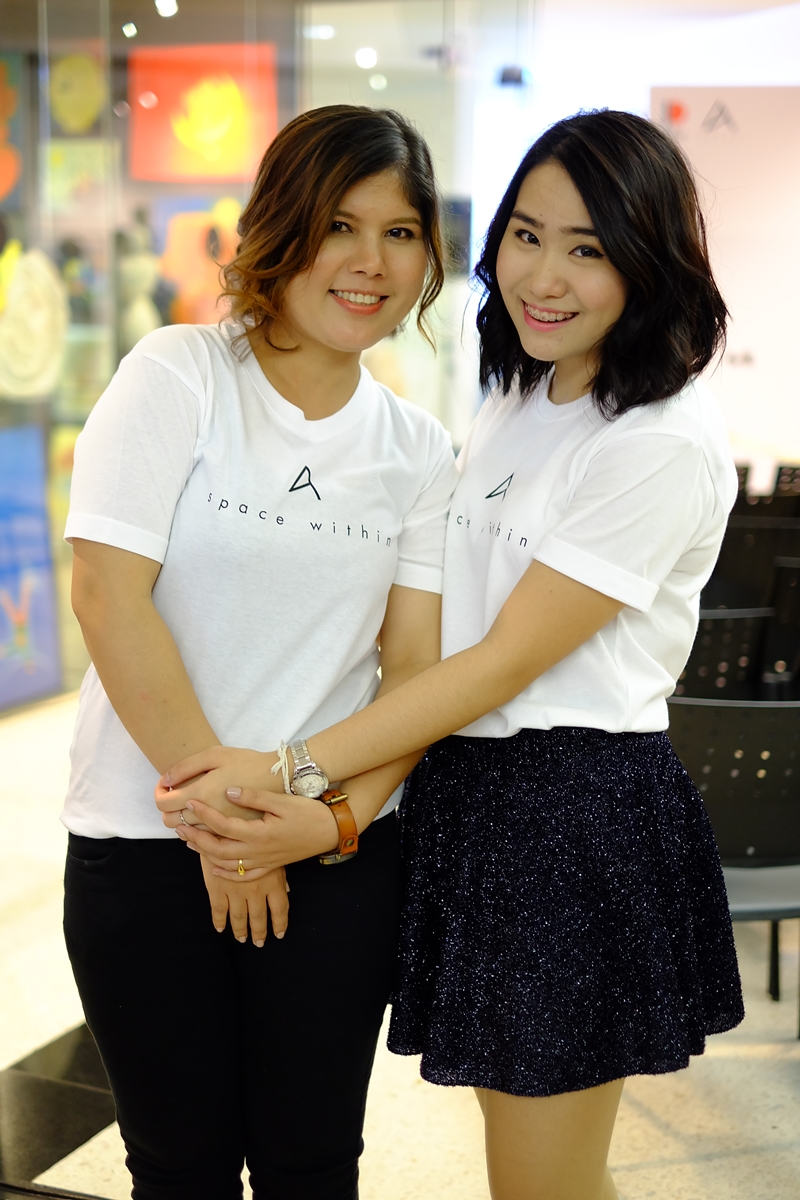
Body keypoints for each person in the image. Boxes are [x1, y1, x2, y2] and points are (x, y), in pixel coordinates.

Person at [160, 110, 746, 1200]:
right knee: (544, 1168)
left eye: (588, 248)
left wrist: (293, 770)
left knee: (541, 1178)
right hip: (473, 798)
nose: (544, 277)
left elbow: (496, 665)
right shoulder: (522, 391)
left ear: (648, 261)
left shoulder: (658, 438)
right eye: (526, 235)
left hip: (570, 814)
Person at [62, 105, 459, 1200]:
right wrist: (226, 832)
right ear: (282, 227)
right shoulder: (179, 372)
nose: (370, 262)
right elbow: (106, 594)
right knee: (178, 1169)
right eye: (339, 225)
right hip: (145, 843)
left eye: (400, 232)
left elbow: (413, 676)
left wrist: (331, 821)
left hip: (334, 853)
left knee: (311, 1166)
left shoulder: (420, 454)